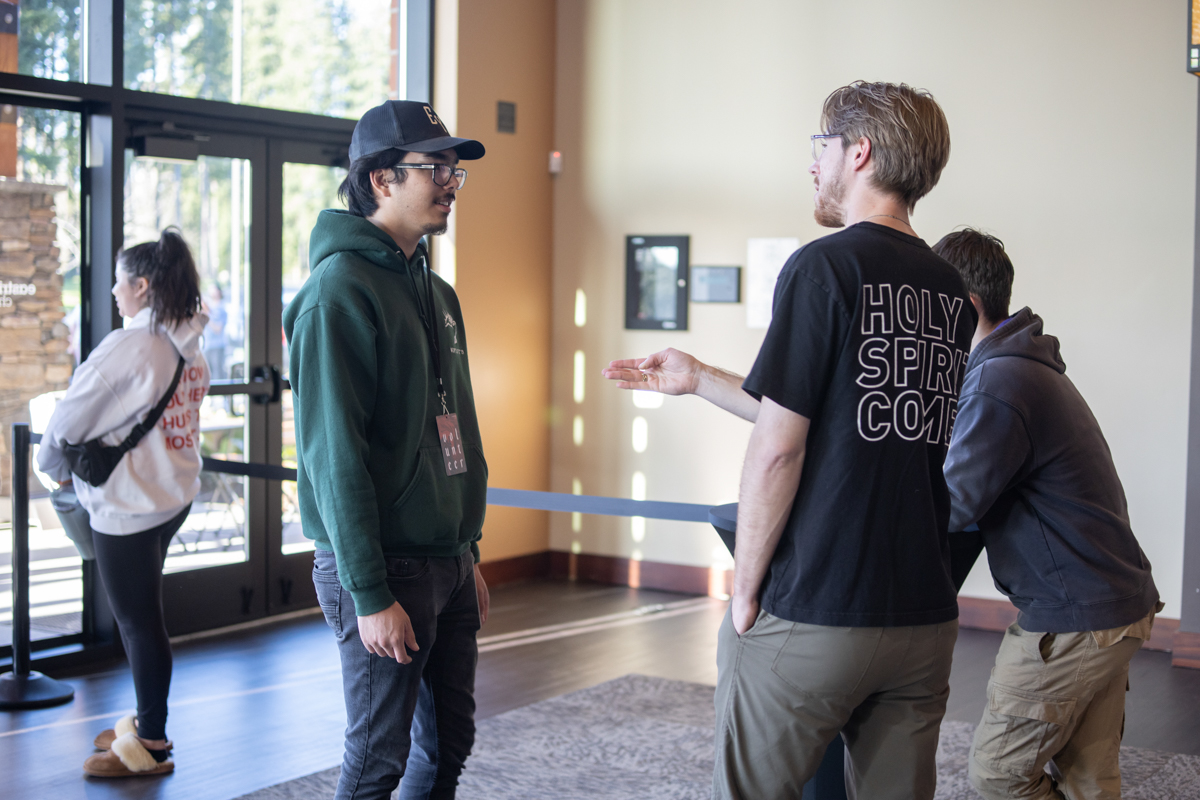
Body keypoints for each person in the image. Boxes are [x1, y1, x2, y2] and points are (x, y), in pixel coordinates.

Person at [605, 81, 974, 799]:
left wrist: (744, 594)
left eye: (821, 145)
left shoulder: (824, 265)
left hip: (819, 606)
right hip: (923, 615)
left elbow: (780, 448)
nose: (813, 162)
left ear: (858, 152)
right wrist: (698, 377)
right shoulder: (949, 291)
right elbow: (838, 415)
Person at [283, 100, 490, 800]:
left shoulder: (438, 293)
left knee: (449, 746)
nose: (450, 183)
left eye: (455, 170)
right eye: (435, 168)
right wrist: (369, 593)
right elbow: (333, 457)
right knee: (378, 760)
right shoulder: (336, 292)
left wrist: (467, 552)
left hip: (447, 559)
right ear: (380, 179)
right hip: (382, 566)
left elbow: (456, 425)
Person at [933, 228, 1161, 800]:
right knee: (1089, 779)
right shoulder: (1026, 364)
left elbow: (954, 504)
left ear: (965, 308)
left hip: (1074, 617)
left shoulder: (999, 381)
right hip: (1115, 604)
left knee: (998, 776)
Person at [37, 229, 210, 778]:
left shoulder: (130, 347)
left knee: (139, 623)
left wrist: (51, 470)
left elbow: (66, 421)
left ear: (142, 286)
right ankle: (146, 717)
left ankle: (152, 742)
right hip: (172, 496)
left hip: (130, 507)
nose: (113, 291)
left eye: (119, 282)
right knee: (144, 618)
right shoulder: (190, 342)